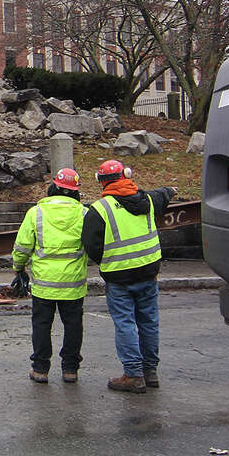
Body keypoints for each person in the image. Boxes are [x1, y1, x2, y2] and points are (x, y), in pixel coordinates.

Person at [82, 159, 176, 394]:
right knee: (149, 321)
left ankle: (133, 375)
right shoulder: (148, 200)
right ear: (127, 175)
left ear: (101, 182)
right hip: (148, 272)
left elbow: (91, 246)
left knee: (125, 323)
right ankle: (150, 371)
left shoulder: (99, 210)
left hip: (119, 276)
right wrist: (171, 190)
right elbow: (162, 194)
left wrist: (106, 261)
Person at [11, 167, 88, 384]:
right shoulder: (84, 213)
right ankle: (70, 370)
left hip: (44, 284)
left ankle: (41, 369)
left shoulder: (36, 213)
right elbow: (93, 244)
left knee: (42, 325)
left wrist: (18, 267)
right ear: (75, 192)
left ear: (53, 187)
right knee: (73, 325)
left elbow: (23, 246)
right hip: (73, 284)